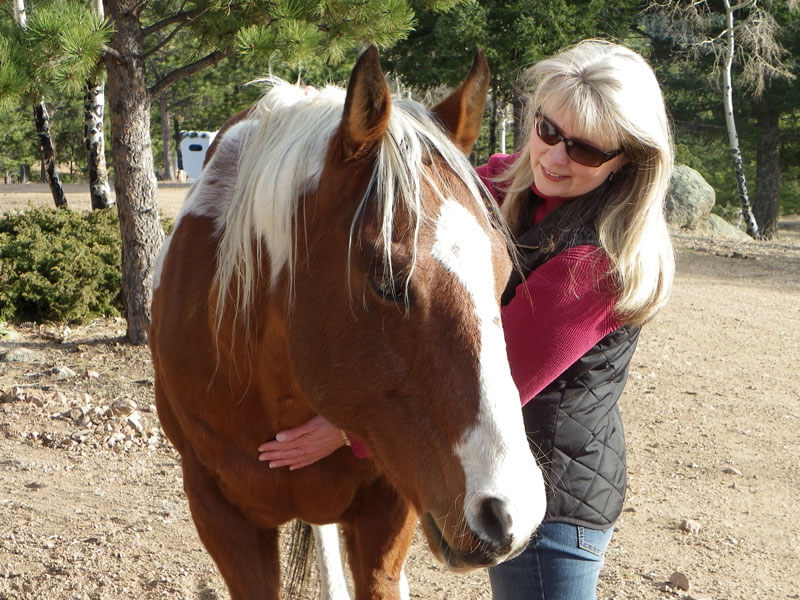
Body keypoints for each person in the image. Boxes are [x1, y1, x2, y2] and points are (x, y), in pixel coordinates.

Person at [257, 39, 675, 600]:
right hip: (494, 466)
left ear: (626, 159)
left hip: (553, 501)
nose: (553, 157)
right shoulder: (498, 180)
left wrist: (339, 431)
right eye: (547, 130)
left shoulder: (599, 263)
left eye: (585, 151)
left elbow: (496, 366)